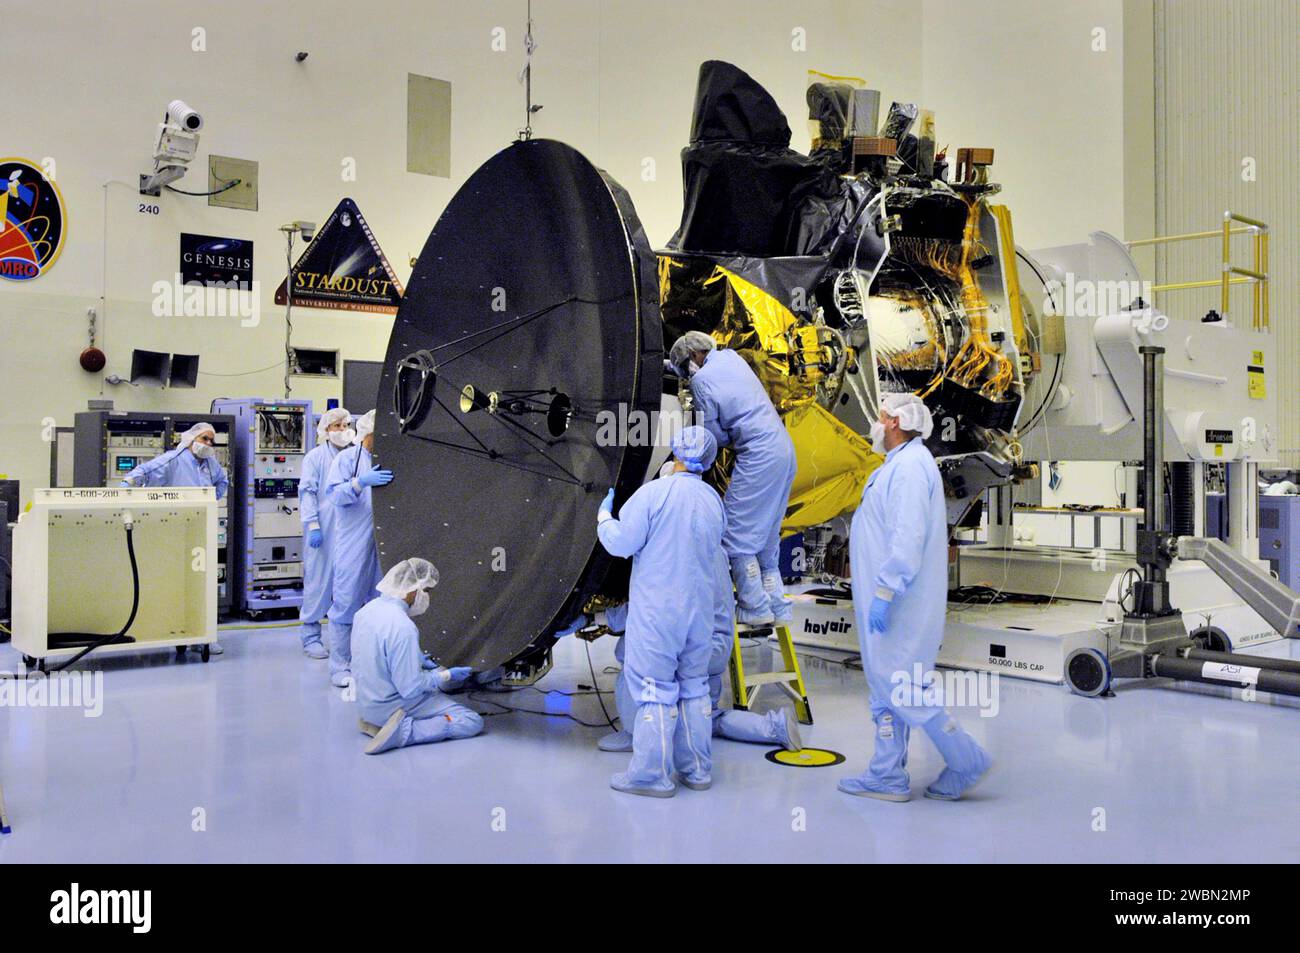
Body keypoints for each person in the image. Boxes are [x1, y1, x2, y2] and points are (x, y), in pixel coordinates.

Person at [838, 393, 991, 802]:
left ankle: (966, 759)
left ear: (893, 422)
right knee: (887, 686)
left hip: (899, 602)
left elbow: (906, 540)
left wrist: (886, 590)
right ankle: (886, 774)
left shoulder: (908, 469)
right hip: (888, 598)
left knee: (902, 687)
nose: (875, 423)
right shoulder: (901, 464)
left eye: (880, 416)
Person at [596, 426, 723, 797]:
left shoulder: (654, 494)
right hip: (698, 614)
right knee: (694, 689)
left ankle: (652, 776)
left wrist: (604, 517)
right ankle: (697, 770)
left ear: (676, 454)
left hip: (658, 614)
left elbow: (621, 544)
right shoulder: (712, 501)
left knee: (654, 689)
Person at [596, 535, 802, 754]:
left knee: (630, 650)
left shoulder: (679, 553)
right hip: (719, 646)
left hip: (699, 647)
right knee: (708, 716)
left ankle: (634, 733)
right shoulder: (716, 549)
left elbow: (653, 606)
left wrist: (599, 617)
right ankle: (775, 726)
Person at [669, 331, 797, 626]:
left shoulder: (701, 381)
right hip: (784, 450)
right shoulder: (731, 358)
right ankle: (777, 606)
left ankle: (754, 607)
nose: (687, 373)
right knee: (765, 540)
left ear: (694, 357)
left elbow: (714, 436)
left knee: (735, 537)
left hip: (759, 456)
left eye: (684, 367)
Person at [353, 558, 484, 754]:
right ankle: (402, 732)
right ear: (413, 590)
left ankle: (375, 724)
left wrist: (417, 659)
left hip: (367, 705)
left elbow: (375, 656)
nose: (427, 597)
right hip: (391, 707)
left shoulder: (366, 611)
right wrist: (445, 676)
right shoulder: (402, 626)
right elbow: (411, 688)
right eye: (427, 591)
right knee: (471, 721)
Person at [121, 421, 228, 655]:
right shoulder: (174, 458)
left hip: (202, 527)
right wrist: (126, 486)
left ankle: (205, 635)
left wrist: (212, 501)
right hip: (177, 529)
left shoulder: (210, 463)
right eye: (204, 439)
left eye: (212, 441)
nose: (209, 444)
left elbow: (223, 482)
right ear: (191, 440)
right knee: (179, 580)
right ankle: (177, 628)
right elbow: (143, 472)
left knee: (204, 581)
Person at [323, 409, 391, 688]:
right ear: (366, 434)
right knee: (347, 600)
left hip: (386, 540)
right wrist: (358, 483)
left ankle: (377, 665)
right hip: (353, 540)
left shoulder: (391, 460)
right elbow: (333, 495)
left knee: (384, 602)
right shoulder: (347, 460)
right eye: (379, 435)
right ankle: (340, 665)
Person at [297, 407, 353, 660]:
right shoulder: (316, 457)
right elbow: (307, 492)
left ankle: (344, 639)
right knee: (319, 583)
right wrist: (312, 525)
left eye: (345, 425)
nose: (342, 431)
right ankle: (310, 636)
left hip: (351, 530)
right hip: (323, 528)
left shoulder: (356, 456)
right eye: (336, 426)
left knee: (348, 586)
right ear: (325, 430)